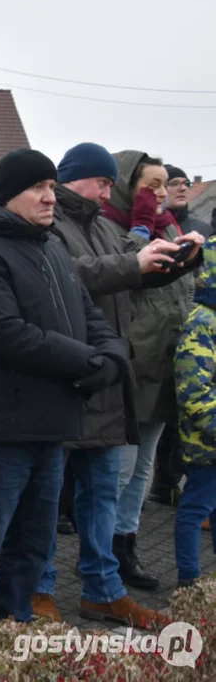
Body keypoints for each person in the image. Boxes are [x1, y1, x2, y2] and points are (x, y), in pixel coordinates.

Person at [0, 149, 128, 647]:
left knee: (34, 544)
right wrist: (90, 363)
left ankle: (13, 632)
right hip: (2, 427)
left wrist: (111, 357)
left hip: (53, 424)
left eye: (53, 186)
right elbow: (10, 335)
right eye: (39, 188)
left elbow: (90, 315)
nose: (51, 197)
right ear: (9, 196)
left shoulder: (50, 247)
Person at [33, 142, 189, 628]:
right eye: (101, 182)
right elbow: (71, 276)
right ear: (74, 178)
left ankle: (103, 587)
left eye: (109, 183)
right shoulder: (49, 225)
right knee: (46, 494)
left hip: (107, 377)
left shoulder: (102, 225)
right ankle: (39, 588)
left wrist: (176, 260)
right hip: (65, 377)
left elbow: (132, 270)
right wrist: (135, 264)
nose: (107, 191)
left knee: (104, 492)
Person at [101, 151, 202, 591]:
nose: (160, 193)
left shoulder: (170, 226)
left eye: (164, 184)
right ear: (127, 186)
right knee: (118, 472)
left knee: (142, 470)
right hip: (132, 366)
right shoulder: (111, 226)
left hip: (163, 364)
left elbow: (181, 292)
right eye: (151, 184)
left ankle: (126, 544)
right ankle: (101, 554)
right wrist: (140, 228)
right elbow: (128, 273)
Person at [152, 163, 212, 507]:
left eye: (183, 183)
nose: (180, 188)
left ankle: (171, 478)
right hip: (165, 334)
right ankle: (164, 481)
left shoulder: (198, 227)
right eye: (172, 182)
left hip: (192, 328)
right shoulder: (150, 227)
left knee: (178, 421)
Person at [173, 238, 216, 589]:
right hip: (207, 439)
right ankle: (189, 582)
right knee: (195, 508)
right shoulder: (203, 322)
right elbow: (194, 390)